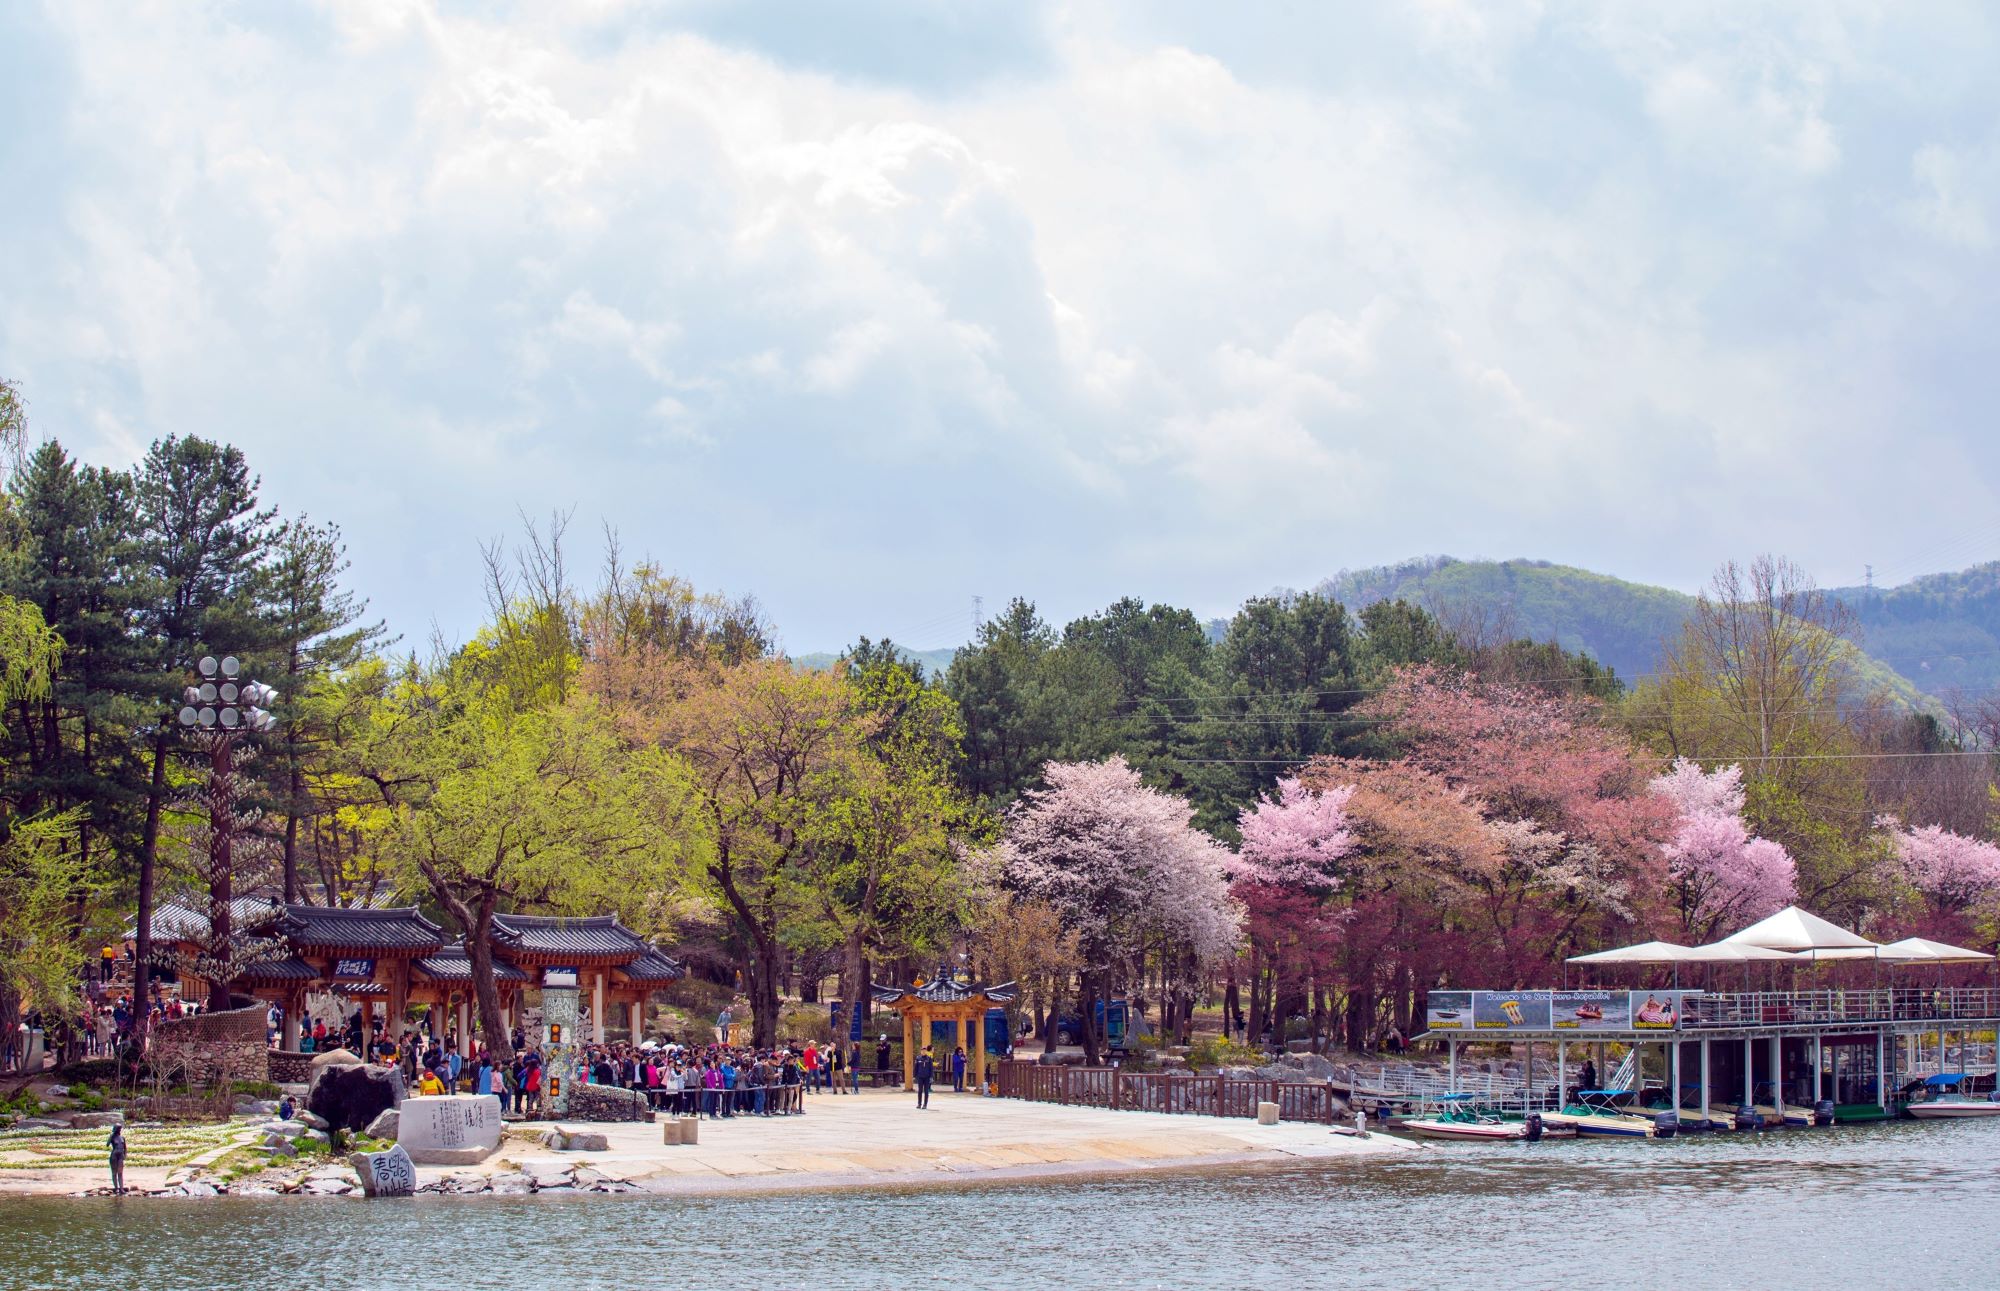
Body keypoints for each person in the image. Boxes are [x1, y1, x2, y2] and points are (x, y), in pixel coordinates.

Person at [107, 1124, 126, 1195]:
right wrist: (111, 1136)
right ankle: (116, 1188)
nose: (119, 1130)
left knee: (120, 1173)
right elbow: (107, 1144)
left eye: (120, 1129)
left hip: (120, 1156)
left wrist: (125, 1155)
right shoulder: (113, 1137)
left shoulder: (122, 1138)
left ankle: (121, 1188)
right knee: (114, 1173)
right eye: (118, 1129)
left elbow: (125, 1148)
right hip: (114, 1156)